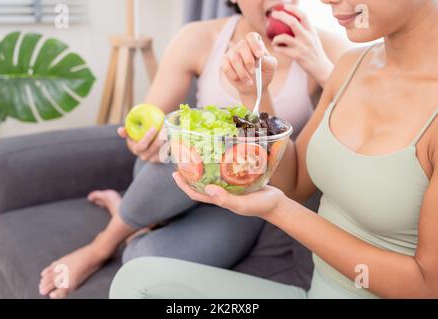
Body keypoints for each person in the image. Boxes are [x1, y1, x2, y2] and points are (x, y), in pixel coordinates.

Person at [110, 0, 438, 299]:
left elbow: (426, 286)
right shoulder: (351, 66)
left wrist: (278, 211)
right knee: (137, 280)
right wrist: (257, 95)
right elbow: (293, 185)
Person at [38, 0, 349, 299]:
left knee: (139, 260)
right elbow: (153, 117)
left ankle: (129, 215)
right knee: (190, 150)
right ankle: (100, 246)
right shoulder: (198, 38)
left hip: (244, 200)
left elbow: (359, 113)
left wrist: (320, 66)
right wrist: (145, 138)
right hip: (172, 179)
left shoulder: (326, 47)